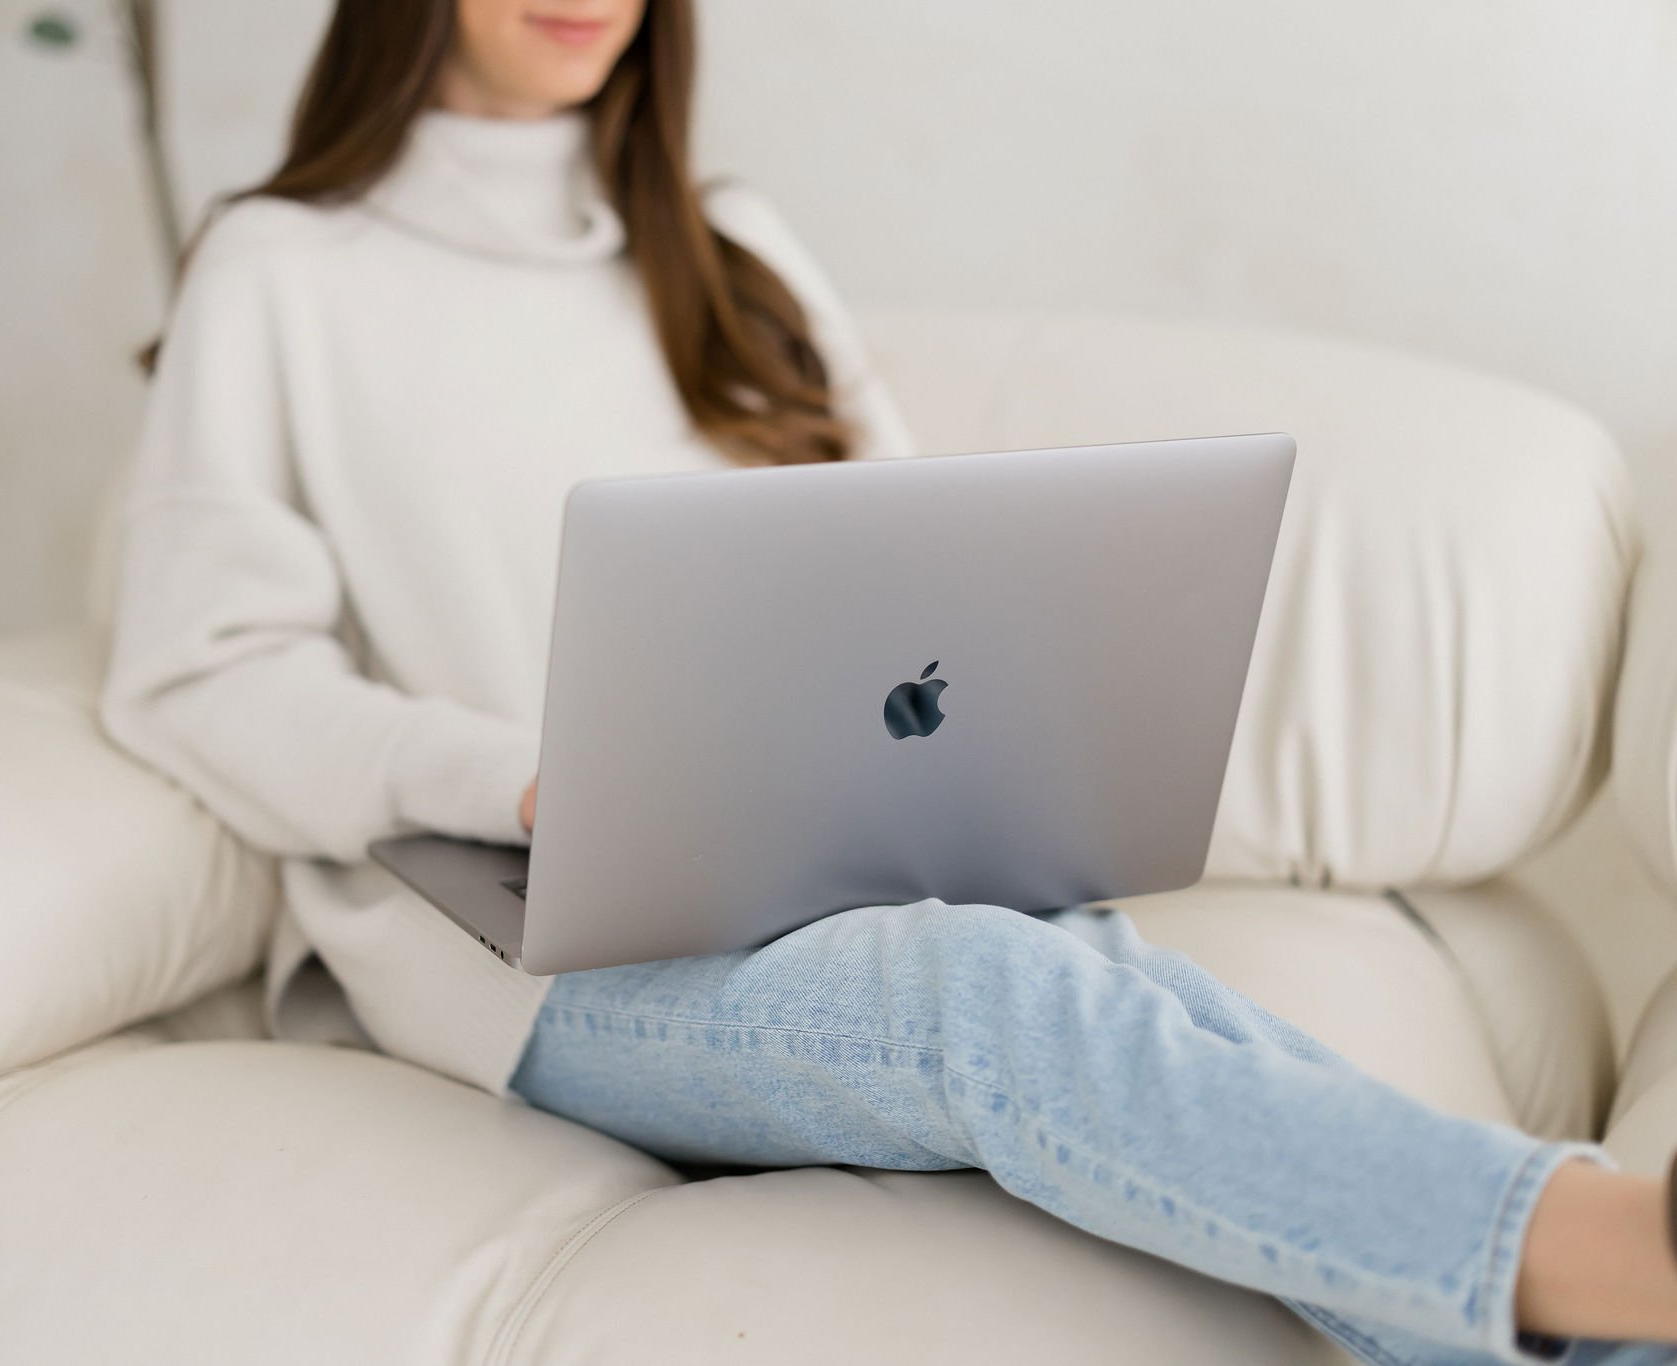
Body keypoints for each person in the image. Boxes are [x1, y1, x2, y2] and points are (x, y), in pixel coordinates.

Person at [97, 1, 1677, 1361]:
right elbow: (200, 674)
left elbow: (919, 581)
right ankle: (1614, 1250)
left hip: (840, 856)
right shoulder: (278, 271)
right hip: (546, 950)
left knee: (1091, 980)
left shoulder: (733, 252)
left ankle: (1600, 1297)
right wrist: (512, 776)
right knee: (981, 999)